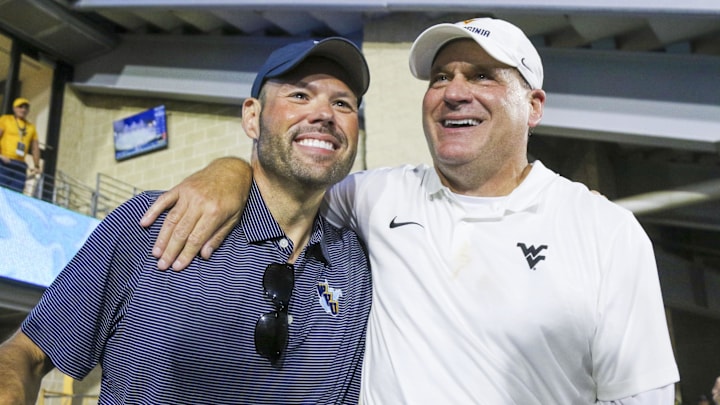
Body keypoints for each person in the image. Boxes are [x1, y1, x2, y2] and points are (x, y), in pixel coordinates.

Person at [141, 18, 680, 404]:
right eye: (441, 78)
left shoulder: (604, 232)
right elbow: (291, 176)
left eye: (482, 75)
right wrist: (228, 171)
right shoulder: (376, 199)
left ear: (533, 107)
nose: (453, 92)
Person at [0, 37, 373, 404]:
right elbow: (28, 354)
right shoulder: (151, 224)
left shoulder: (359, 266)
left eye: (342, 104)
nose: (325, 115)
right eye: (300, 95)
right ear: (252, 117)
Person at [0, 97, 41, 193]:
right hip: (4, 161)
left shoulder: (31, 127)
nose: (23, 109)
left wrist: (37, 166)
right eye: (20, 107)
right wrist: (1, 156)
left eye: (26, 107)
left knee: (16, 193)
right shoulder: (5, 119)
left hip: (20, 165)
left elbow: (35, 147)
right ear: (14, 108)